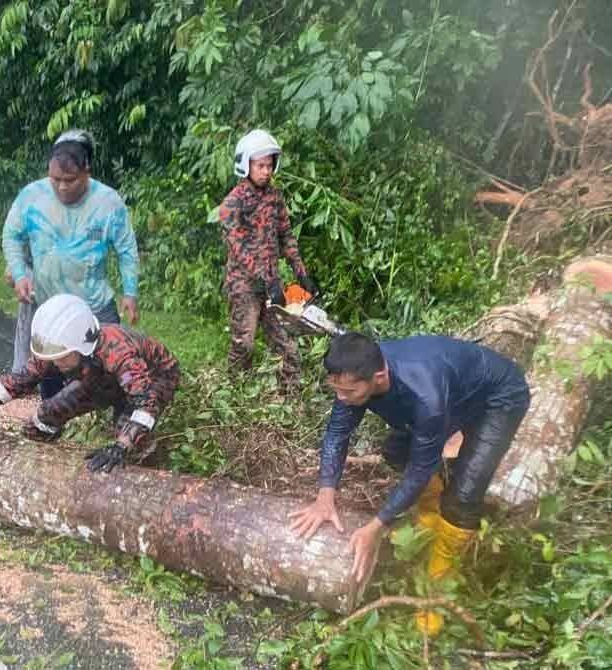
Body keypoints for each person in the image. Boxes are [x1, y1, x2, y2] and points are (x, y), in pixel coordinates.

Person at [289, 332, 530, 635]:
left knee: (463, 500)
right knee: (395, 451)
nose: (341, 398)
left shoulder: (425, 395)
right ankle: (430, 516)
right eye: (336, 389)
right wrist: (325, 497)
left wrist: (376, 527)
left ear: (378, 377)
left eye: (349, 391)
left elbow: (419, 468)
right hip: (453, 394)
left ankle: (436, 592)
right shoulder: (355, 374)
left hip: (498, 399)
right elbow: (337, 433)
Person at [0, 294, 179, 473]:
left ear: (81, 347)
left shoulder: (118, 352)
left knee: (129, 437)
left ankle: (146, 468)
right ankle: (43, 467)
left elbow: (146, 403)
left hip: (154, 380)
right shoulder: (60, 347)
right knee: (46, 414)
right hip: (101, 378)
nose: (55, 363)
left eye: (60, 358)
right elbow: (17, 382)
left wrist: (122, 446)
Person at [2, 130, 140, 397]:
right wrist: (19, 273)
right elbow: (11, 235)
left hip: (95, 306)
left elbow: (126, 249)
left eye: (70, 180)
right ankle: (53, 423)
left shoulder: (108, 203)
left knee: (112, 372)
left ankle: (114, 423)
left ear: (86, 172)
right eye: (55, 179)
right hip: (48, 304)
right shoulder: (32, 196)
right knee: (49, 373)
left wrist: (130, 292)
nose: (62, 187)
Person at [219, 129, 318, 392]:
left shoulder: (275, 197)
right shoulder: (232, 204)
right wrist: (267, 280)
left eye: (270, 166)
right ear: (246, 164)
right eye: (260, 166)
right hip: (244, 286)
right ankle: (234, 393)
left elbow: (286, 235)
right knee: (244, 343)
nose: (266, 171)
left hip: (272, 284)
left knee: (287, 344)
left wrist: (301, 272)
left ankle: (290, 398)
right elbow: (239, 250)